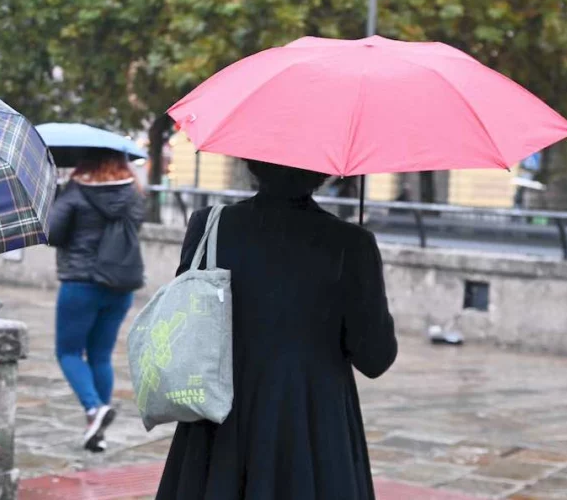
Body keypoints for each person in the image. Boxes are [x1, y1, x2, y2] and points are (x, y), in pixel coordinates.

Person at [157, 160, 397, 500]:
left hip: (220, 413)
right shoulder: (351, 243)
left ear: (253, 163)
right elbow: (375, 358)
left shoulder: (208, 225)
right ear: (323, 171)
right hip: (313, 422)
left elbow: (185, 314)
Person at [47, 149, 145, 452]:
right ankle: (96, 433)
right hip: (120, 285)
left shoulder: (75, 192)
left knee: (68, 352)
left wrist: (57, 196)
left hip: (81, 283)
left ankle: (93, 408)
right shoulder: (133, 193)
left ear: (86, 160)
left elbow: (52, 232)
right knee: (100, 356)